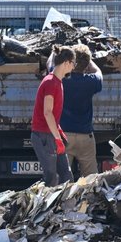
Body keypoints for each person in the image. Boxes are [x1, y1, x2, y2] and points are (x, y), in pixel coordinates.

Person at [31, 46, 76, 187]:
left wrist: (59, 132)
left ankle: (67, 208)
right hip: (43, 136)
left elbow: (52, 114)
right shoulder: (51, 82)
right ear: (66, 63)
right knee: (52, 178)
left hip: (50, 134)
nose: (74, 67)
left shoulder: (57, 82)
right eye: (73, 63)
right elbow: (47, 112)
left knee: (66, 175)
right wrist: (57, 138)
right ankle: (47, 208)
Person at [59, 44, 103, 177]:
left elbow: (51, 65)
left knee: (62, 179)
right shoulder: (91, 82)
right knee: (91, 179)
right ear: (86, 64)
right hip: (85, 136)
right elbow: (99, 73)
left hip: (64, 136)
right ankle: (89, 198)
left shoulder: (62, 79)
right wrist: (89, 62)